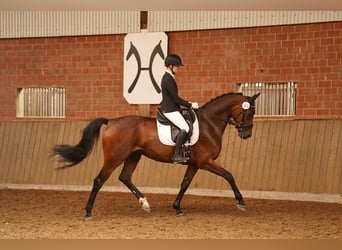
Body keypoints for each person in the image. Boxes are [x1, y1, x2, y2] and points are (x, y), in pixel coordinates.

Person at [159, 54, 199, 163]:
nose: (178, 68)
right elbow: (175, 99)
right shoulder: (167, 79)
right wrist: (189, 104)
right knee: (185, 128)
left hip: (173, 108)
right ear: (170, 66)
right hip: (170, 110)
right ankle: (176, 155)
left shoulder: (169, 77)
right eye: (176, 66)